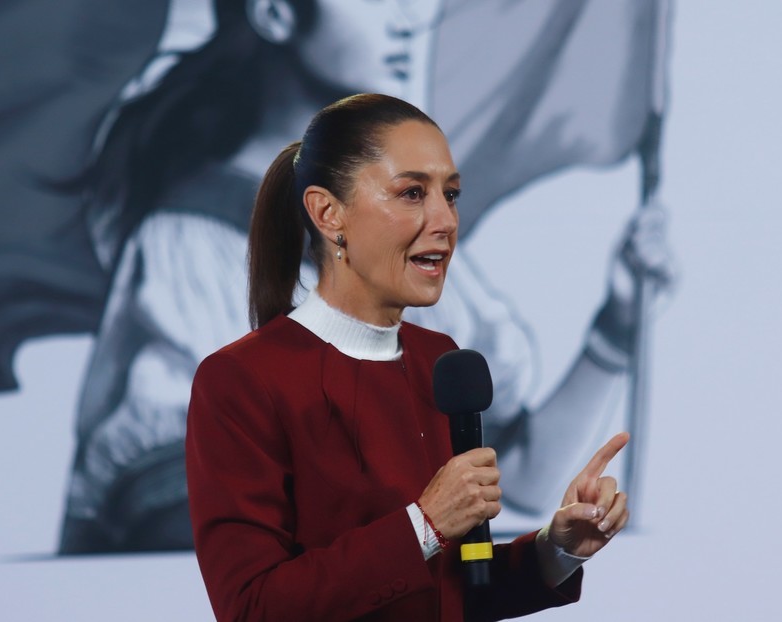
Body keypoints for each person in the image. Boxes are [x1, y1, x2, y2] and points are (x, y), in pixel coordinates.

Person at [59, 0, 668, 553]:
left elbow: (516, 488)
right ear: (275, 13)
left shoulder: (412, 250)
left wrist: (614, 330)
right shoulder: (192, 247)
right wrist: (425, 526)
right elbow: (198, 544)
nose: (408, 19)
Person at [186, 93, 630, 621]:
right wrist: (425, 524)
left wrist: (555, 550)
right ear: (328, 213)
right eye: (412, 193)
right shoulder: (241, 381)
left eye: (451, 194)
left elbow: (456, 589)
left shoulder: (440, 362)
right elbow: (252, 608)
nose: (445, 220)